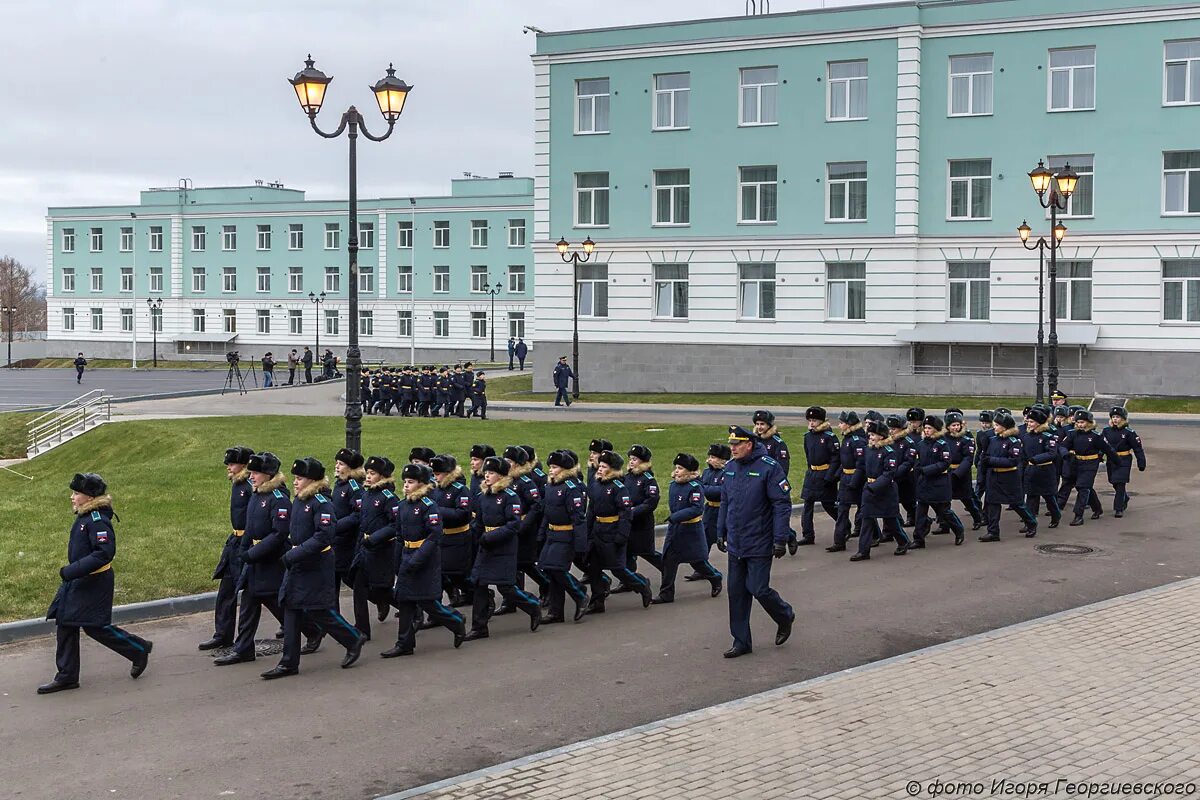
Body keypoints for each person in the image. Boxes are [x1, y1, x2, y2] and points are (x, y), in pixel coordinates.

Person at [39, 473, 153, 694]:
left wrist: (71, 570)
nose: (72, 497)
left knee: (94, 627)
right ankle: (67, 676)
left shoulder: (97, 520)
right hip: (79, 579)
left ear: (89, 497)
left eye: (76, 493)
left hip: (94, 581)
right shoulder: (84, 516)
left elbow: (104, 553)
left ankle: (138, 649)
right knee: (65, 622)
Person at [261, 457, 365, 679]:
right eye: (296, 478)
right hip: (299, 561)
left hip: (315, 563)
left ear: (313, 481)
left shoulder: (321, 502)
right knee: (290, 606)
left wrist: (294, 554)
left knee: (318, 610)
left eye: (300, 478)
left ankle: (352, 638)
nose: (295, 482)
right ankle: (289, 662)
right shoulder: (299, 499)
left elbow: (323, 536)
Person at [214, 452, 320, 666]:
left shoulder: (278, 499)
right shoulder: (257, 494)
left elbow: (279, 534)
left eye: (255, 473)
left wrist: (253, 554)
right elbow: (250, 528)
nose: (251, 476)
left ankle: (312, 629)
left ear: (268, 475)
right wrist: (244, 552)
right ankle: (244, 648)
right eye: (251, 472)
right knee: (249, 601)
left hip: (270, 560)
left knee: (275, 602)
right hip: (254, 558)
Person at [717, 425, 795, 658]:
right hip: (737, 541)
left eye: (736, 444)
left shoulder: (769, 468)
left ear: (749, 444)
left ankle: (784, 615)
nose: (732, 448)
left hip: (759, 540)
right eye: (730, 444)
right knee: (736, 592)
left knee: (758, 588)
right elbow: (725, 502)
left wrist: (780, 538)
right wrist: (720, 531)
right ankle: (741, 641)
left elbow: (781, 505)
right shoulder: (730, 468)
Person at [382, 463, 467, 657]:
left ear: (421, 484)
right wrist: (398, 561)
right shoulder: (402, 506)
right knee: (405, 601)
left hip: (425, 560)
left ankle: (456, 622)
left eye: (410, 482)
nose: (405, 486)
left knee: (428, 602)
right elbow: (399, 535)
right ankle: (404, 643)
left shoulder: (430, 506)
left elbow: (434, 536)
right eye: (404, 482)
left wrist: (417, 559)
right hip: (407, 556)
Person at [464, 456, 543, 640]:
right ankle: (479, 627)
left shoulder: (510, 497)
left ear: (501, 476)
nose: (487, 476)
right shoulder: (483, 496)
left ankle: (532, 606)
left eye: (491, 473)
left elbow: (513, 525)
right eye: (486, 472)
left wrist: (489, 537)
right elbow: (479, 522)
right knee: (479, 584)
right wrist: (474, 537)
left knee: (506, 587)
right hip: (486, 546)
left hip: (503, 546)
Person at [199, 446, 255, 651]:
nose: (228, 468)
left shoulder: (250, 484)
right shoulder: (238, 483)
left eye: (232, 464)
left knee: (261, 594)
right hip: (235, 541)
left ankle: (305, 628)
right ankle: (223, 635)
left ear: (245, 465)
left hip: (246, 543)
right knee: (226, 590)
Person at [584, 450, 653, 613]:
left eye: (604, 466)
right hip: (597, 531)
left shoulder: (618, 488)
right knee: (594, 567)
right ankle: (597, 601)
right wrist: (588, 532)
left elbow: (625, 514)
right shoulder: (596, 484)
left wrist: (621, 536)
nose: (599, 469)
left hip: (612, 532)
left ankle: (642, 586)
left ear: (613, 469)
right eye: (599, 465)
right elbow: (591, 510)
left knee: (618, 569)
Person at [652, 453, 722, 604]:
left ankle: (715, 577)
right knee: (669, 561)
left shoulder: (695, 487)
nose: (676, 471)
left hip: (691, 531)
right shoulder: (673, 485)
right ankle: (666, 593)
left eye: (680, 468)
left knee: (697, 562)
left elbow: (696, 509)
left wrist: (676, 517)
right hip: (675, 530)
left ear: (690, 471)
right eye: (676, 467)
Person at [349, 456, 401, 639]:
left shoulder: (388, 497)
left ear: (383, 476)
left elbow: (395, 525)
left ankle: (412, 610)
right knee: (359, 587)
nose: (368, 477)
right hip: (365, 549)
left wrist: (375, 539)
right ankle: (362, 628)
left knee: (382, 589)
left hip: (381, 551)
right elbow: (362, 524)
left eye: (372, 474)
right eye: (367, 473)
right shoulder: (366, 494)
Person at [537, 449, 591, 624]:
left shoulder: (571, 488)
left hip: (566, 534)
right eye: (550, 467)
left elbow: (579, 519)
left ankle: (579, 594)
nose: (551, 470)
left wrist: (580, 545)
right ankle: (555, 612)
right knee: (549, 569)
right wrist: (541, 534)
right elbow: (547, 512)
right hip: (552, 533)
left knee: (557, 569)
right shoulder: (551, 486)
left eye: (554, 467)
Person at [851, 420, 911, 561]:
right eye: (870, 434)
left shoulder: (889, 452)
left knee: (890, 520)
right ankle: (863, 551)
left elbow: (889, 473)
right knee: (866, 518)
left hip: (885, 491)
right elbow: (861, 466)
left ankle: (903, 541)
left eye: (873, 434)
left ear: (882, 436)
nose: (870, 437)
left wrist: (874, 487)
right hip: (869, 488)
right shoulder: (868, 449)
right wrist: (854, 482)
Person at [979, 412, 1039, 541]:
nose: (994, 427)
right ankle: (993, 532)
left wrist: (991, 460)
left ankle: (1031, 523)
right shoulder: (993, 440)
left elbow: (1012, 461)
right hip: (994, 476)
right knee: (992, 504)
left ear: (1005, 426)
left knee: (1017, 504)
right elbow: (985, 457)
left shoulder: (1014, 442)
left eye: (997, 425)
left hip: (1009, 477)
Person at [910, 415, 965, 548]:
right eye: (925, 428)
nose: (926, 430)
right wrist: (918, 472)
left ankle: (958, 530)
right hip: (924, 483)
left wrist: (927, 470)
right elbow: (917, 461)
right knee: (920, 513)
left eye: (929, 428)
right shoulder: (921, 444)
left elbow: (945, 463)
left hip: (939, 482)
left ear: (936, 429)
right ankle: (918, 539)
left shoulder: (942, 444)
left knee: (944, 511)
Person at [751, 410, 798, 554]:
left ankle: (789, 536)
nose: (759, 427)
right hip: (755, 483)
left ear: (769, 425)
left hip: (771, 485)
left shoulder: (777, 443)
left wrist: (775, 485)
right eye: (757, 424)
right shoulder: (753, 441)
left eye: (762, 424)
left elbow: (783, 467)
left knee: (772, 514)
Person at [431, 454, 474, 608]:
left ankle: (476, 592)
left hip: (458, 538)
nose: (435, 478)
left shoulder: (460, 490)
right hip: (442, 538)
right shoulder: (436, 490)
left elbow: (463, 514)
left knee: (458, 574)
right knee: (440, 573)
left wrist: (438, 510)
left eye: (438, 474)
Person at [1061, 409, 1118, 527]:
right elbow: (1063, 446)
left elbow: (1108, 449)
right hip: (1076, 463)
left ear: (1089, 422)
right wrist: (1066, 454)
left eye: (1082, 422)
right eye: (1078, 422)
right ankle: (1097, 508)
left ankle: (1078, 515)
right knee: (1085, 487)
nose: (1080, 425)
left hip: (1090, 464)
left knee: (1083, 487)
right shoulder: (1072, 434)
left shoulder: (1096, 436)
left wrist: (1117, 461)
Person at [330, 448, 365, 619]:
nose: (337, 466)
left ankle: (384, 599)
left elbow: (357, 515)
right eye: (336, 462)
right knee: (332, 582)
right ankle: (335, 621)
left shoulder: (353, 487)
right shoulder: (339, 484)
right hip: (335, 541)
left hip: (348, 542)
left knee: (351, 580)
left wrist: (335, 526)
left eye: (341, 464)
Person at [798, 406, 839, 546]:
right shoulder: (808, 437)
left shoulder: (829, 437)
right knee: (807, 505)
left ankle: (844, 526)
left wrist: (830, 476)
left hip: (825, 473)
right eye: (809, 420)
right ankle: (808, 535)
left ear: (821, 421)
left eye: (814, 420)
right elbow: (808, 455)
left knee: (829, 504)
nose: (811, 423)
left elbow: (835, 458)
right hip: (812, 473)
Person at [828, 411, 866, 554]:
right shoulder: (847, 439)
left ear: (849, 424)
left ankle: (875, 535)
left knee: (864, 510)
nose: (839, 425)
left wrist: (854, 482)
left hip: (856, 480)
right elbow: (844, 463)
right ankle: (839, 541)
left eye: (842, 423)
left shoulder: (857, 441)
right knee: (842, 510)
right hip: (845, 479)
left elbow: (861, 464)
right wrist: (836, 476)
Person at [689, 443, 729, 577]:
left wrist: (705, 488)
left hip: (723, 509)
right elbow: (701, 487)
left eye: (713, 457)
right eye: (710, 456)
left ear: (722, 459)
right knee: (704, 539)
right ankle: (702, 568)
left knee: (728, 536)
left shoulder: (727, 472)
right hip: (710, 509)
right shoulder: (707, 472)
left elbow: (722, 491)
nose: (709, 459)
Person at [1021, 406, 1062, 532]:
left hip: (1045, 471)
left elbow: (1051, 453)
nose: (1029, 424)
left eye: (1032, 421)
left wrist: (1036, 459)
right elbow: (1023, 454)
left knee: (1049, 497)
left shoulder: (1048, 436)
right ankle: (1030, 524)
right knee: (1031, 499)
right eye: (1028, 421)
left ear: (1039, 423)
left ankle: (1056, 516)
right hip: (1031, 471)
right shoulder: (1026, 437)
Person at [942, 410, 984, 532]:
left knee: (966, 499)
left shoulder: (966, 439)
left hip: (961, 474)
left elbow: (968, 458)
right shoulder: (943, 438)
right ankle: (944, 524)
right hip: (947, 472)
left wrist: (958, 473)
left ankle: (977, 518)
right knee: (945, 500)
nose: (956, 427)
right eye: (953, 425)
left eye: (957, 425)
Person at [1102, 406, 1146, 519]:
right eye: (1113, 417)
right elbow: (1101, 445)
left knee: (1120, 482)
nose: (1115, 419)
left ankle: (1118, 508)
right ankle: (1124, 497)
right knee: (1113, 481)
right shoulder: (1106, 431)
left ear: (1123, 419)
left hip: (1124, 459)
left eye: (1118, 417)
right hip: (1111, 460)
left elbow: (1138, 448)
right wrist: (1099, 456)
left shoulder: (1129, 433)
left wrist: (1141, 462)